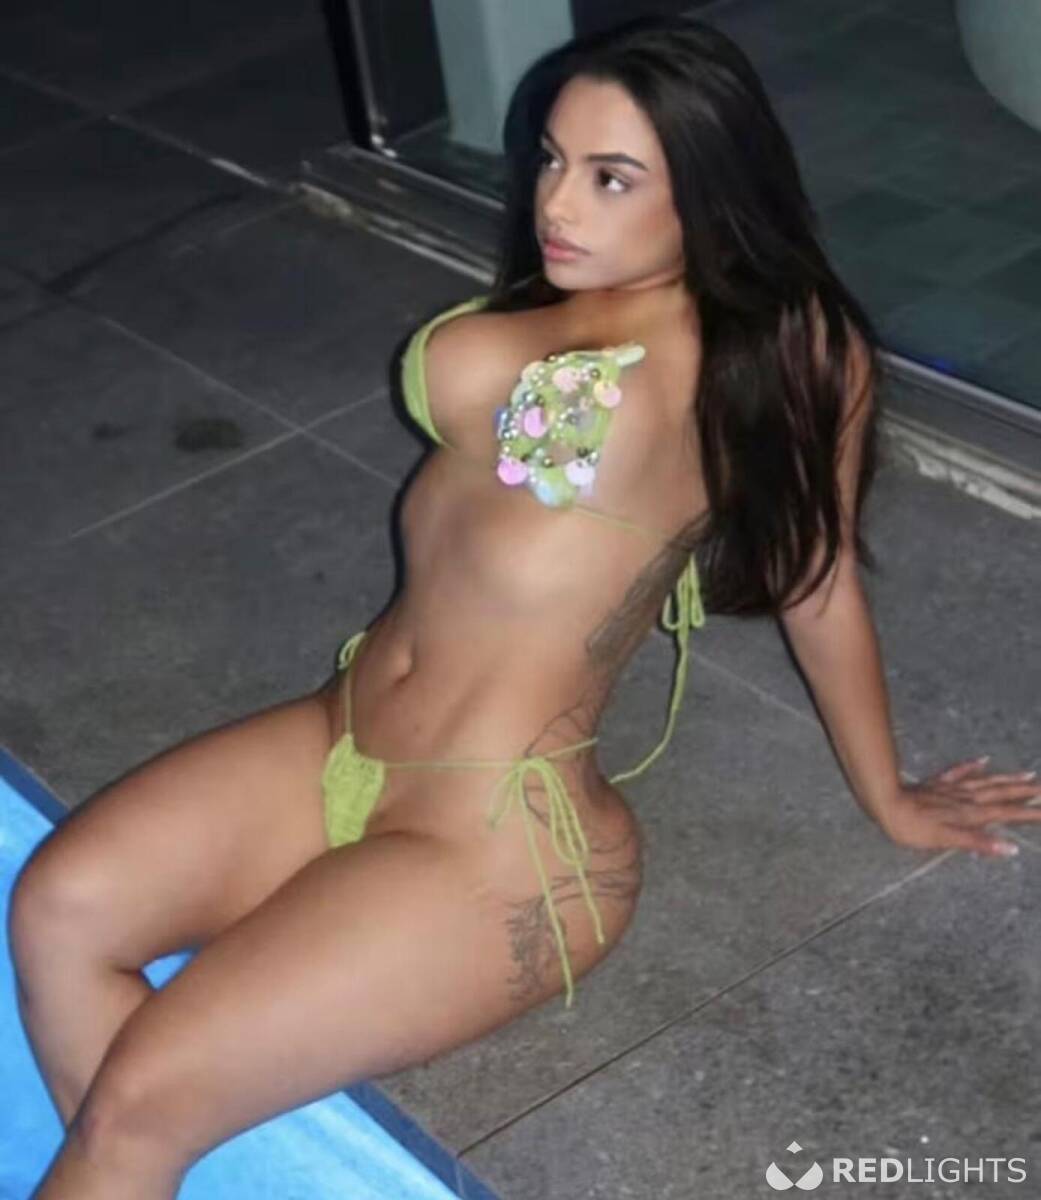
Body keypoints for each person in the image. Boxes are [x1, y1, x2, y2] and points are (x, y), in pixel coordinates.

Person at [11, 14, 1041, 1198]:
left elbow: (815, 580)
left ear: (711, 193)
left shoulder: (734, 357)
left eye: (612, 178)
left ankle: (132, 1151)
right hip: (342, 738)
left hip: (493, 844)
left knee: (138, 1108)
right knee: (60, 911)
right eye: (551, 159)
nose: (558, 203)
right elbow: (536, 441)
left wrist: (891, 797)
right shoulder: (579, 339)